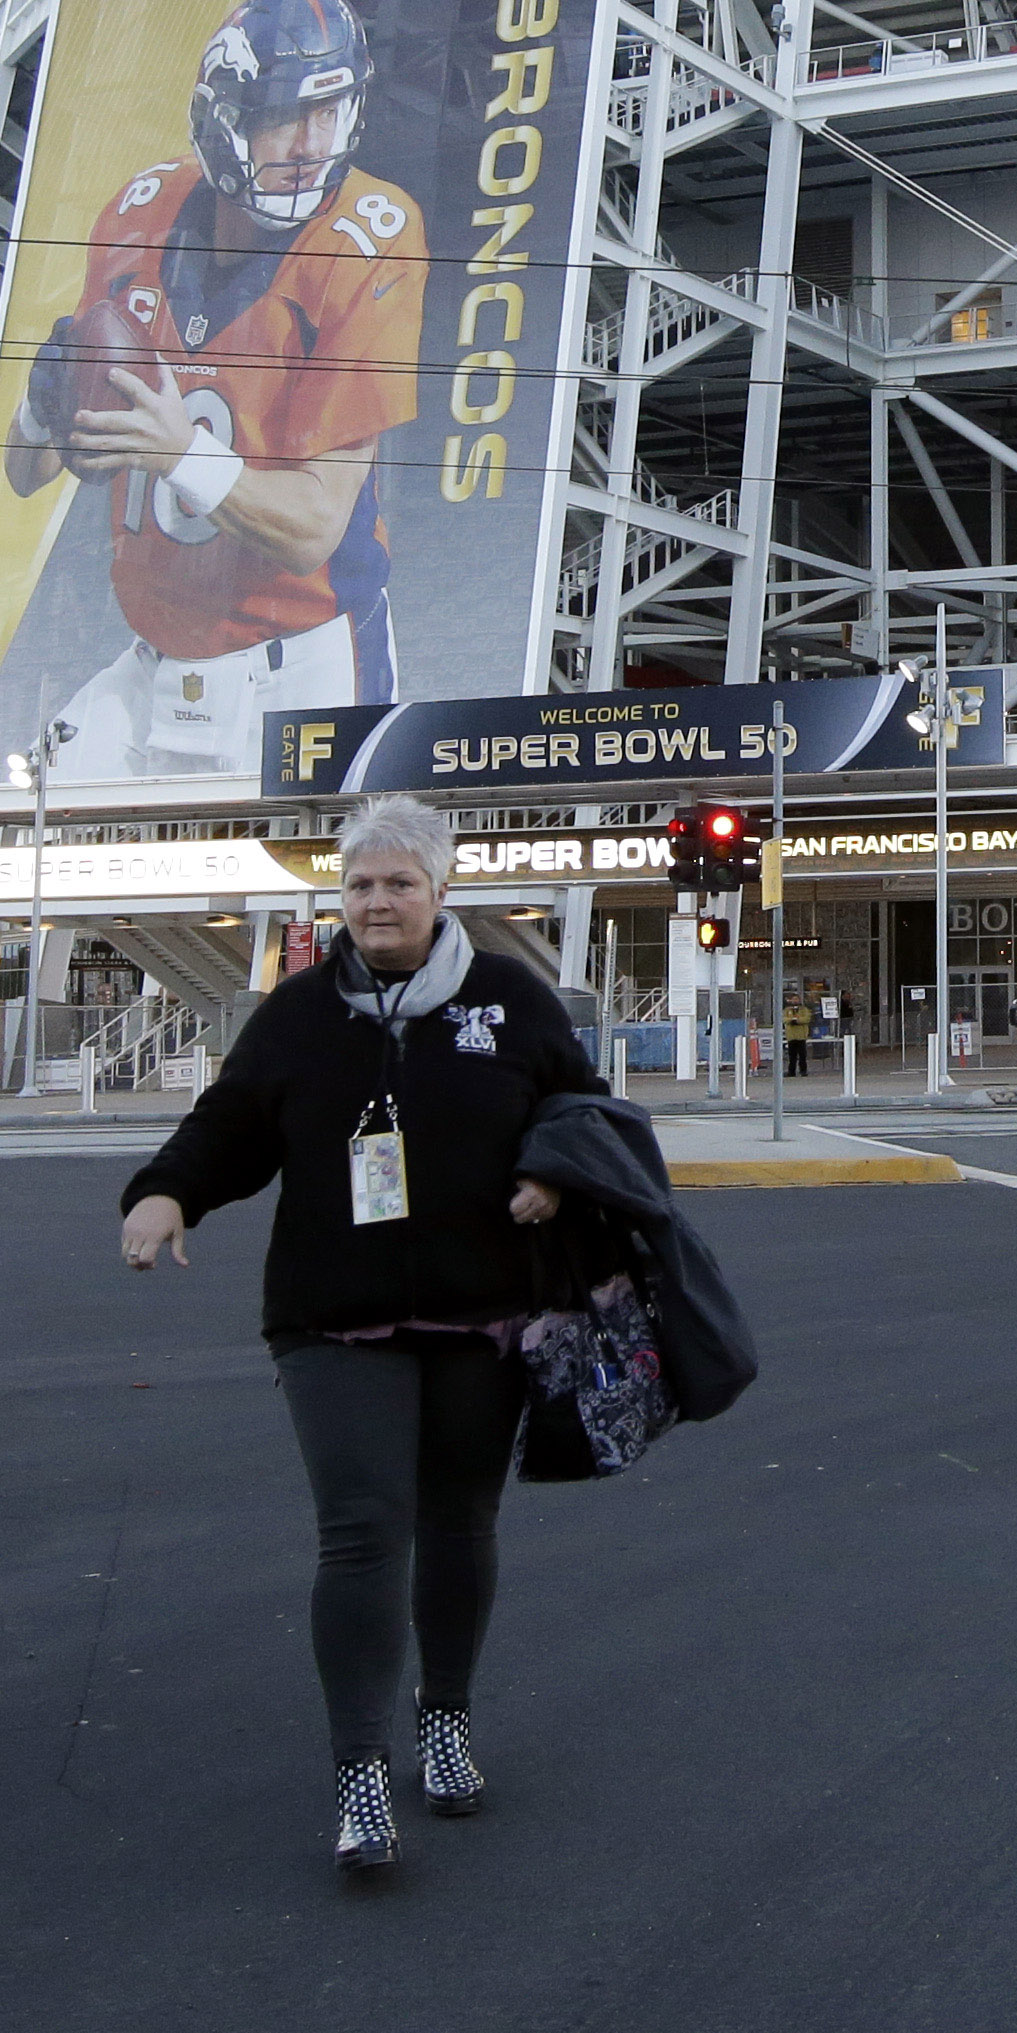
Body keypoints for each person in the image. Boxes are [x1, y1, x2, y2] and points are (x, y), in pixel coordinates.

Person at [117, 801, 626, 1876]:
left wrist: (552, 1171)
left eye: (398, 884)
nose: (377, 903)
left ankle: (444, 1722)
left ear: (442, 893)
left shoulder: (507, 999)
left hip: (479, 1309)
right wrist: (167, 1195)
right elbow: (233, 1124)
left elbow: (583, 1109)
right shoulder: (301, 1012)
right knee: (361, 1530)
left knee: (458, 1524)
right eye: (358, 886)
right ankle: (359, 1767)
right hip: (331, 1313)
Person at [3, 0, 422, 781]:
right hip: (152, 664)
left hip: (299, 667)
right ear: (223, 122)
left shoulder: (370, 238)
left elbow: (312, 530)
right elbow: (29, 473)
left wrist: (176, 452)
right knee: (35, 872)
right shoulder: (138, 213)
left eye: (327, 110)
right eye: (281, 115)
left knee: (290, 898)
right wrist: (40, 404)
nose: (310, 144)